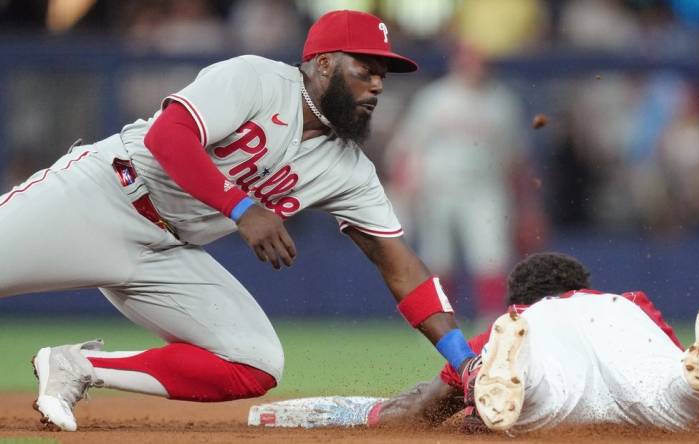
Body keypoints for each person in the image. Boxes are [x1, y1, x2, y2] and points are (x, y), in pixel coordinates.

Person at [0, 10, 478, 432]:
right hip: (102, 195)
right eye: (365, 70)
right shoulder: (256, 79)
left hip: (164, 252)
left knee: (255, 362)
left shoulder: (350, 169)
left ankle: (77, 367)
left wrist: (464, 362)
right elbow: (168, 138)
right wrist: (243, 209)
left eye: (383, 76)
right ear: (324, 63)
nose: (376, 85)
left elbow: (401, 267)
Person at [250, 252, 699, 433]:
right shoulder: (627, 301)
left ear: (519, 302)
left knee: (536, 400)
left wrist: (337, 415)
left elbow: (416, 410)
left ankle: (514, 378)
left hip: (542, 357)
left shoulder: (519, 318)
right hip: (622, 327)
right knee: (676, 397)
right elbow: (653, 357)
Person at [385, 41, 538, 321]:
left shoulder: (502, 102)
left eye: (478, 61)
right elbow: (406, 147)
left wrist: (525, 204)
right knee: (438, 259)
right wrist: (405, 190)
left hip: (485, 188)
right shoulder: (435, 98)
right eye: (468, 60)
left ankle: (492, 322)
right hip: (438, 189)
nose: (473, 67)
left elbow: (516, 159)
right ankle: (438, 321)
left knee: (491, 256)